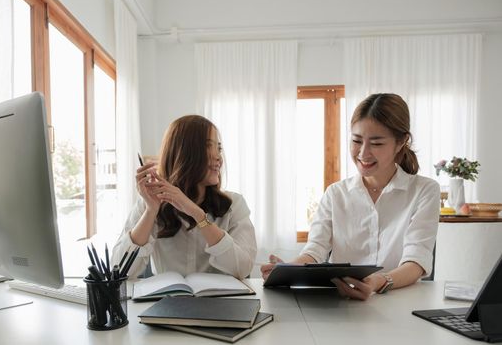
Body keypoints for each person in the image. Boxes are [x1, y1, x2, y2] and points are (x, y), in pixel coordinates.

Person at [261, 93, 440, 300]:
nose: (363, 153)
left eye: (377, 143)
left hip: (401, 304)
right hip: (343, 305)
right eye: (356, 140)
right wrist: (288, 270)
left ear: (401, 142)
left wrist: (378, 282)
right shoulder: (336, 193)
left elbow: (416, 261)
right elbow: (315, 250)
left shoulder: (424, 191)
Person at [112, 115, 257, 279]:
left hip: (222, 303)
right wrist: (151, 211)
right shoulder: (148, 204)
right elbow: (120, 271)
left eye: (219, 148)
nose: (218, 157)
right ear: (183, 153)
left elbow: (243, 268)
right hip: (168, 302)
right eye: (209, 147)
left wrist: (197, 214)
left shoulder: (234, 205)